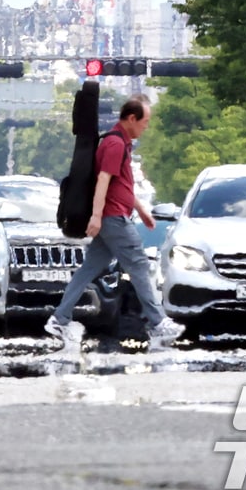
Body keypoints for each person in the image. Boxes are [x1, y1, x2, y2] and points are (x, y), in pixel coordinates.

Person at [45, 97, 184, 349]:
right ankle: (158, 323)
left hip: (113, 215)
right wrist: (97, 216)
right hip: (113, 218)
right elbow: (103, 181)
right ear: (131, 119)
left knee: (89, 269)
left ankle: (59, 318)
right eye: (145, 121)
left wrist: (141, 210)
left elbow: (123, 186)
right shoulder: (114, 144)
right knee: (139, 265)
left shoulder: (121, 144)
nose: (146, 126)